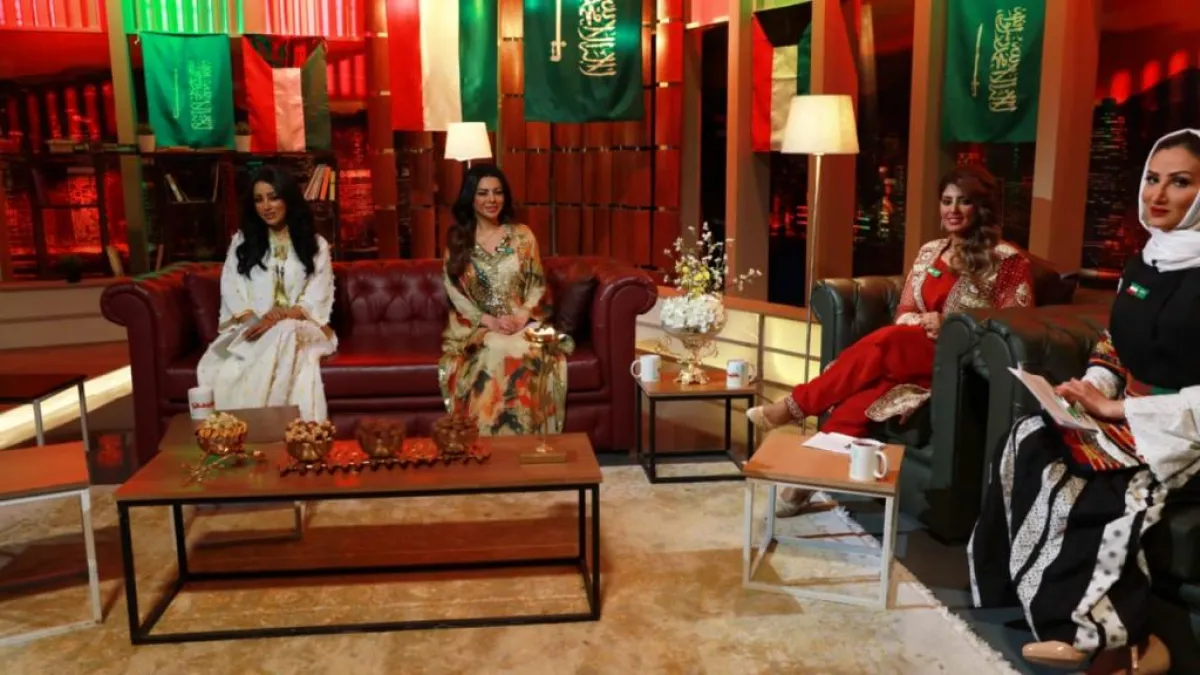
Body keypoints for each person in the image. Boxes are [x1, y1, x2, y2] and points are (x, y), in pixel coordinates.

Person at [966, 131, 1200, 675]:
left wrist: (1121, 412)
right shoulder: (1147, 261)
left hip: (1181, 428)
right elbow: (1117, 343)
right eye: (1152, 179)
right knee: (1028, 437)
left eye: (1180, 182)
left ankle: (1114, 638)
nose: (1157, 194)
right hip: (1130, 413)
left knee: (1104, 483)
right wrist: (1091, 389)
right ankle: (1014, 589)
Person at [747, 165, 1035, 515]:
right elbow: (906, 308)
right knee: (866, 393)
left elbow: (1015, 326)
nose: (953, 210)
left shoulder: (1008, 261)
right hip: (912, 351)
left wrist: (950, 325)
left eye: (964, 201)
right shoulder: (930, 251)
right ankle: (806, 481)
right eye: (947, 201)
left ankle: (794, 406)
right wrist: (920, 323)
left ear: (982, 207)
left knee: (887, 342)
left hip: (959, 362)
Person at [196, 165, 336, 421]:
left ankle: (259, 422)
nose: (266, 206)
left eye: (273, 197)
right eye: (259, 199)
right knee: (275, 336)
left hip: (300, 327)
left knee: (286, 330)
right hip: (252, 327)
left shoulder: (316, 245)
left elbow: (316, 297)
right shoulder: (242, 243)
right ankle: (277, 423)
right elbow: (232, 289)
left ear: (288, 199)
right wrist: (255, 323)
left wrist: (278, 318)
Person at [438, 164, 569, 435]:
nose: (492, 200)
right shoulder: (458, 241)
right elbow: (455, 292)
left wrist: (522, 315)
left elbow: (537, 283)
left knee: (523, 348)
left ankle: (526, 442)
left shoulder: (522, 236)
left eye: (497, 192)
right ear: (470, 199)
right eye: (483, 193)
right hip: (480, 327)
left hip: (522, 323)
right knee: (497, 347)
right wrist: (489, 321)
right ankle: (486, 441)